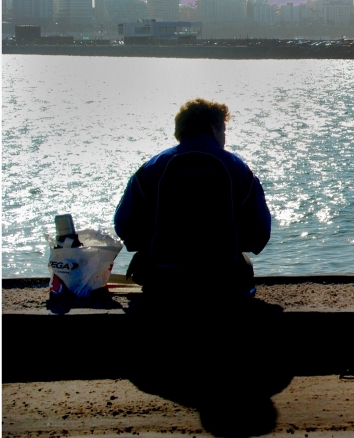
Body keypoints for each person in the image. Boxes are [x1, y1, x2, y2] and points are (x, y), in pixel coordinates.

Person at [115, 98, 271, 300]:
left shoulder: (152, 168)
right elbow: (260, 233)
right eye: (224, 131)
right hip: (222, 279)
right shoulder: (238, 168)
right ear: (213, 128)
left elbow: (124, 225)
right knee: (244, 263)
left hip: (162, 279)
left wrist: (152, 244)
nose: (224, 138)